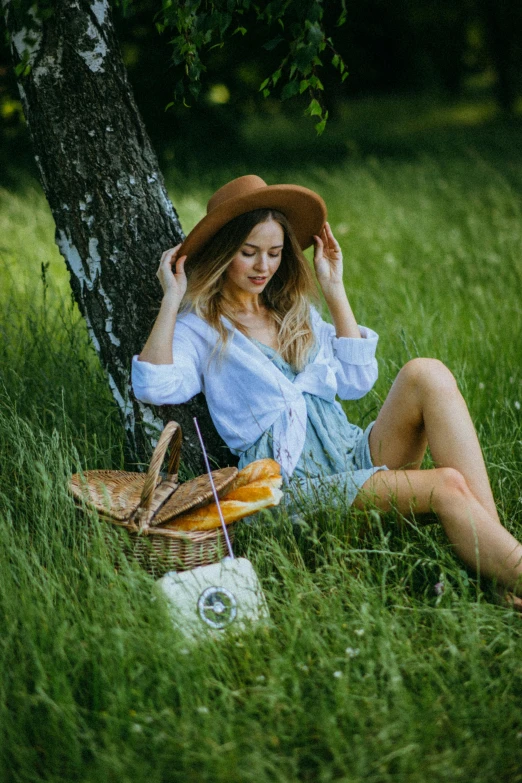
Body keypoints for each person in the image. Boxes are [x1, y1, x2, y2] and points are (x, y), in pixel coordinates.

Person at [132, 174, 522, 605]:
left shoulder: (291, 313)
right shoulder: (202, 329)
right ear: (225, 253)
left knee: (425, 372)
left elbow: (356, 383)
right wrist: (172, 299)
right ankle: (510, 571)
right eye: (249, 253)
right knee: (447, 485)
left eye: (275, 253)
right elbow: (153, 384)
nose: (264, 266)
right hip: (293, 488)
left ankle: (498, 570)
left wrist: (334, 290)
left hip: (350, 455)